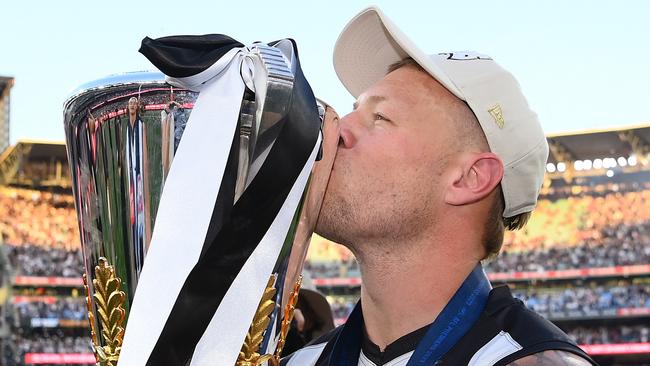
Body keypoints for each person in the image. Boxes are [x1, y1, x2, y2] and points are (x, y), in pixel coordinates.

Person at [283, 7, 598, 366]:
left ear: (469, 178)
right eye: (352, 110)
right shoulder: (301, 361)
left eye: (380, 117)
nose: (337, 128)